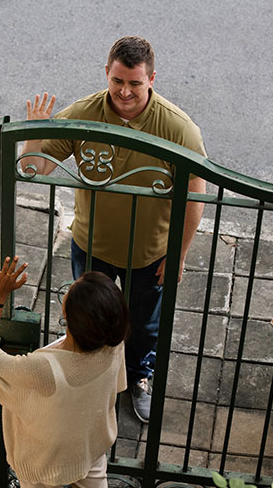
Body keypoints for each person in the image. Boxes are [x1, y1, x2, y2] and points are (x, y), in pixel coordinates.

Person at [20, 36, 206, 423]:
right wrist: (34, 133)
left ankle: (138, 377)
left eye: (135, 83)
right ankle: (86, 380)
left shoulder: (177, 127)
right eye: (118, 80)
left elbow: (195, 195)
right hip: (91, 247)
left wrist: (179, 253)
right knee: (87, 321)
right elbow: (34, 169)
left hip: (148, 253)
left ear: (151, 79)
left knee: (143, 325)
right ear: (107, 73)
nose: (125, 91)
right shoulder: (84, 113)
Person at [0, 256, 130, 488]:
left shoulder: (44, 369)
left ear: (67, 313)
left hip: (43, 463)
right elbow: (117, 386)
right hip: (90, 448)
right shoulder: (113, 342)